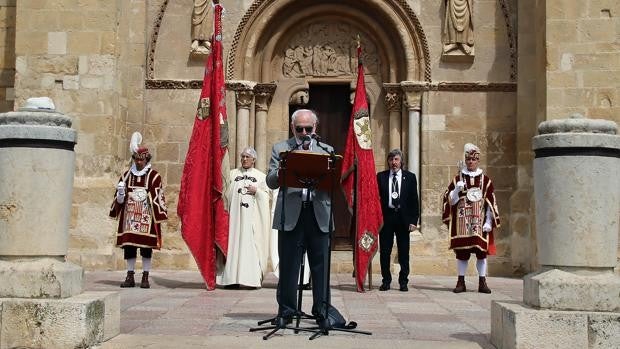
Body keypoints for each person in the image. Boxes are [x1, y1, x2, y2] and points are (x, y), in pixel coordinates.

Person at [266, 109, 334, 327]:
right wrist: (284, 168)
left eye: (308, 128)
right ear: (292, 127)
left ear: (316, 128)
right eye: (299, 129)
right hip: (291, 214)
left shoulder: (327, 150)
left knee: (320, 266)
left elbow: (334, 182)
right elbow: (270, 180)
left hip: (318, 213)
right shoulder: (281, 148)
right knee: (289, 266)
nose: (304, 133)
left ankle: (322, 312)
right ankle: (286, 311)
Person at [109, 132, 168, 289]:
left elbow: (158, 196)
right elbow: (119, 199)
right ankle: (129, 275)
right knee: (129, 247)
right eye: (136, 159)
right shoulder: (126, 175)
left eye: (142, 159)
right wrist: (121, 193)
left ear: (147, 160)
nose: (139, 162)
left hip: (145, 217)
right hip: (129, 218)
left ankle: (145, 276)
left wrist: (145, 197)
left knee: (146, 248)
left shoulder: (154, 176)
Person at [442, 143, 500, 294]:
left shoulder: (485, 180)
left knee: (481, 252)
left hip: (479, 221)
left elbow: (490, 202)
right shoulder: (457, 179)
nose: (471, 162)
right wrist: (456, 190)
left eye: (473, 160)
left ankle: (482, 281)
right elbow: (449, 201)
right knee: (462, 253)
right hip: (462, 222)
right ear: (465, 161)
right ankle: (461, 281)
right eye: (468, 160)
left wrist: (488, 221)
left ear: (478, 161)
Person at [217, 147, 271, 288]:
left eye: (248, 157)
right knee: (233, 245)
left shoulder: (261, 177)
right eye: (243, 156)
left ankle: (251, 279)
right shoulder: (231, 174)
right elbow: (224, 194)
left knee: (250, 246)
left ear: (254, 160)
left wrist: (257, 192)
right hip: (234, 220)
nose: (244, 159)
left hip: (251, 221)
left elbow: (266, 197)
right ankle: (231, 280)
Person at [377, 149, 420, 292]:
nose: (393, 163)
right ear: (388, 161)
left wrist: (414, 220)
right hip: (387, 218)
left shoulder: (410, 177)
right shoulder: (381, 177)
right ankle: (386, 280)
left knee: (403, 252)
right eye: (391, 160)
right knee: (385, 251)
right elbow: (376, 199)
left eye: (396, 159)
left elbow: (414, 200)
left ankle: (403, 281)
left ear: (401, 161)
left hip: (403, 219)